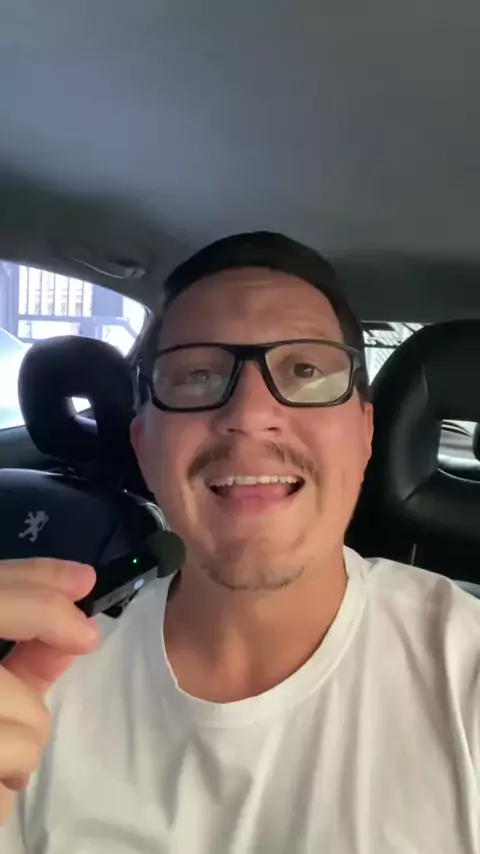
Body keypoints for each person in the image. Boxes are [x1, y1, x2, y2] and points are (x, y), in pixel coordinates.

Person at [0, 232, 479, 853]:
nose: (250, 415)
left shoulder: (464, 672)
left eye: (306, 371)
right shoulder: (33, 688)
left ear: (365, 435)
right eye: (197, 374)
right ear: (143, 445)